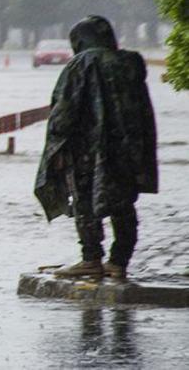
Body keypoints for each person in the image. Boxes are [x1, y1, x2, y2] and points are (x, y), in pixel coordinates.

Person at [34, 16, 158, 280]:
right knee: (123, 202)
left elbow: (64, 111)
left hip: (88, 149)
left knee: (85, 201)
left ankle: (91, 259)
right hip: (129, 147)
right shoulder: (130, 63)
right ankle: (119, 260)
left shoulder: (82, 64)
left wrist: (56, 146)